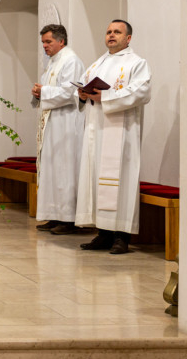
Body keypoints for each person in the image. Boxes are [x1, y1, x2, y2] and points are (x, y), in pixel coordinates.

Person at [75, 20, 151, 254]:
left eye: (117, 32)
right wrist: (82, 94)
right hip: (96, 131)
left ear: (128, 38)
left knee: (121, 180)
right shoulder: (97, 63)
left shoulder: (136, 63)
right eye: (108, 31)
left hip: (121, 134)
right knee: (97, 179)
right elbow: (84, 87)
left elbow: (142, 92)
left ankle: (121, 237)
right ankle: (103, 234)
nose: (111, 35)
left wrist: (105, 98)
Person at [31, 24, 85, 235]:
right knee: (52, 169)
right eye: (43, 42)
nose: (45, 46)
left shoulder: (71, 61)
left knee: (65, 171)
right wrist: (38, 92)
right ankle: (54, 215)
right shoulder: (53, 62)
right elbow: (50, 91)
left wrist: (44, 91)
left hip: (66, 124)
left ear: (61, 41)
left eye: (48, 41)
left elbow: (70, 92)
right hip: (52, 124)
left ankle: (69, 219)